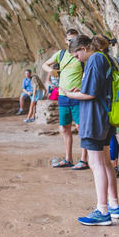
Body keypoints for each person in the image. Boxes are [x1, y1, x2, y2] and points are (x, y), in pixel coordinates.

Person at [59, 35, 119, 225]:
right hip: (105, 117)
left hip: (95, 119)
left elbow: (91, 93)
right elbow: (97, 88)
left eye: (77, 55)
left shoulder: (94, 59)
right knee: (105, 163)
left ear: (85, 49)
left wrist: (70, 94)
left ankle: (102, 211)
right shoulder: (107, 59)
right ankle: (114, 205)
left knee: (96, 164)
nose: (77, 59)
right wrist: (82, 90)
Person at [43, 29, 88, 169]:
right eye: (70, 40)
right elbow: (45, 64)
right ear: (65, 41)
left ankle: (83, 160)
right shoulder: (61, 54)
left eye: (74, 40)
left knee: (81, 128)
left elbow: (88, 74)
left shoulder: (80, 55)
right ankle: (68, 159)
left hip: (77, 97)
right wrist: (51, 71)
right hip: (63, 97)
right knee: (65, 128)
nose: (72, 43)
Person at [92, 35, 119, 177]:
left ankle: (110, 166)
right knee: (112, 135)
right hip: (115, 100)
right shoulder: (114, 60)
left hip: (104, 102)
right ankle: (114, 165)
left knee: (108, 137)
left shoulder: (100, 60)